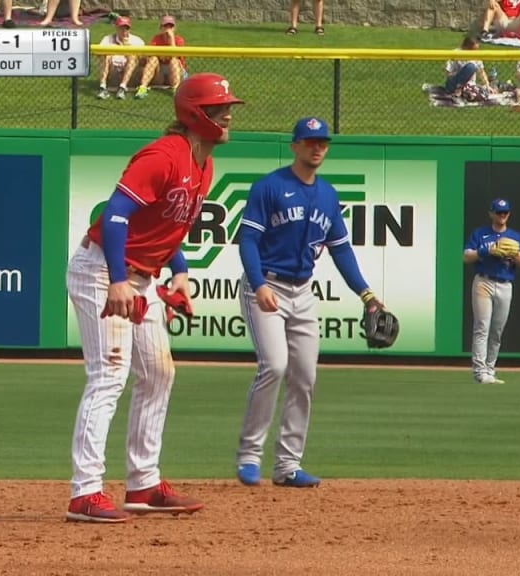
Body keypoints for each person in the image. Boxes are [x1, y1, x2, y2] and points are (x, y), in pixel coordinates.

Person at [65, 73, 245, 523]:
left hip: (140, 276)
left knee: (159, 373)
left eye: (228, 107)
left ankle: (143, 484)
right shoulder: (163, 156)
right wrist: (120, 280)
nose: (228, 115)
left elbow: (168, 226)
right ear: (193, 114)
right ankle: (84, 492)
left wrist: (180, 273)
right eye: (218, 108)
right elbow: (114, 217)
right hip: (102, 271)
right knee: (109, 375)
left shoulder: (203, 165)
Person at [234, 117, 384, 489]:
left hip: (302, 293)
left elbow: (341, 250)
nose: (317, 148)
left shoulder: (328, 195)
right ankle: (250, 456)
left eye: (323, 142)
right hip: (265, 285)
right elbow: (248, 241)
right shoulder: (269, 187)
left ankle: (287, 465)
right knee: (274, 365)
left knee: (304, 376)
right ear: (295, 145)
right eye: (310, 141)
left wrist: (366, 293)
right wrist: (257, 284)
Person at [462, 199, 520, 385]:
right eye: (499, 212)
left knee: (497, 330)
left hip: (505, 283)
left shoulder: (515, 236)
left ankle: (490, 369)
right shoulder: (481, 234)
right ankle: (479, 372)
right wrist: (487, 250)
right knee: (482, 327)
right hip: (484, 281)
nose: (502, 215)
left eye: (505, 212)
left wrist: (511, 253)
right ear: (491, 213)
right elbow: (466, 256)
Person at [134, 15, 187, 99]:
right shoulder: (156, 39)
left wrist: (171, 39)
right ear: (161, 28)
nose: (168, 29)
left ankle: (176, 89)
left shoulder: (178, 40)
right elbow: (149, 56)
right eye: (165, 26)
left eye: (170, 26)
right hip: (160, 73)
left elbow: (176, 56)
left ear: (174, 28)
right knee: (153, 59)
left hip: (176, 72)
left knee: (173, 60)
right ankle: (142, 87)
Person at [96, 16, 145, 100]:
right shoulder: (107, 39)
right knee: (106, 56)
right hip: (112, 72)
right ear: (116, 28)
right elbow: (98, 55)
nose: (124, 31)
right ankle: (103, 88)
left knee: (132, 57)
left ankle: (122, 88)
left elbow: (144, 60)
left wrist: (129, 50)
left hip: (131, 74)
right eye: (121, 28)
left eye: (126, 28)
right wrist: (112, 51)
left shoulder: (137, 41)